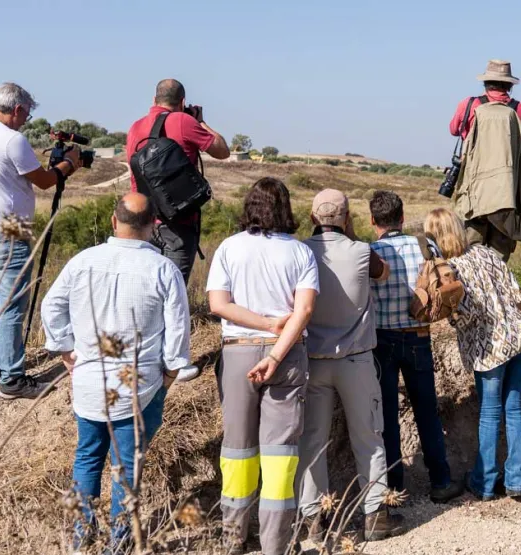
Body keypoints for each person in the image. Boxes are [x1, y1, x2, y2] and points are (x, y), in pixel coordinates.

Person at [40, 192, 191, 552]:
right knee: (126, 468)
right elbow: (178, 330)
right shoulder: (164, 269)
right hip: (141, 387)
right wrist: (170, 373)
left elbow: (51, 305)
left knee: (87, 456)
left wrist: (66, 349)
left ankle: (81, 534)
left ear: (113, 221)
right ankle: (119, 542)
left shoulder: (83, 262)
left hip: (90, 382)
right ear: (154, 225)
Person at [206, 177, 318, 555]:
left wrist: (261, 325)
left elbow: (219, 305)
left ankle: (232, 539)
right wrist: (275, 346)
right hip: (286, 356)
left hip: (237, 352)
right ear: (286, 208)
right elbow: (303, 311)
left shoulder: (228, 247)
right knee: (281, 454)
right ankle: (275, 544)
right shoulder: (301, 253)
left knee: (237, 451)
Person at [296, 189, 406, 543]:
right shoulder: (361, 251)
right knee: (369, 438)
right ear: (347, 219)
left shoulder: (300, 252)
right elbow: (383, 272)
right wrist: (354, 234)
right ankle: (375, 515)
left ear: (313, 218)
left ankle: (314, 518)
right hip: (356, 361)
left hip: (312, 359)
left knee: (312, 441)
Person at [0, 82, 82, 399]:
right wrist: (69, 163)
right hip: (9, 230)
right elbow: (44, 181)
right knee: (13, 305)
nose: (26, 119)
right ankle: (12, 379)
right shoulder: (12, 140)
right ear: (17, 109)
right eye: (27, 114)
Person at [422, 208, 521, 501]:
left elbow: (464, 317)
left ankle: (484, 482)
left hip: (489, 349)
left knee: (489, 412)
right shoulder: (486, 253)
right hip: (519, 338)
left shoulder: (450, 272)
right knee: (513, 408)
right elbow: (517, 294)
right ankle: (517, 480)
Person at [369, 191, 464, 503]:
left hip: (381, 340)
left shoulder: (370, 252)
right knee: (427, 412)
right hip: (419, 337)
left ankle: (394, 486)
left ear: (373, 221)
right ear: (402, 216)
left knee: (387, 415)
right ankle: (440, 481)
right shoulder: (425, 245)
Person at [126, 78, 230, 285]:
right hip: (179, 221)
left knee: (144, 288)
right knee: (173, 291)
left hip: (142, 219)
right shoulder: (185, 122)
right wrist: (200, 121)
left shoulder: (135, 127)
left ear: (154, 100)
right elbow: (222, 151)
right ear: (182, 102)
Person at [450, 60, 521, 261]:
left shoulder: (469, 105)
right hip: (506, 192)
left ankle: (473, 287)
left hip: (474, 191)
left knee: (471, 247)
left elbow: (454, 130)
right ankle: (497, 286)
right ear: (510, 85)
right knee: (500, 248)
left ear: (486, 82)